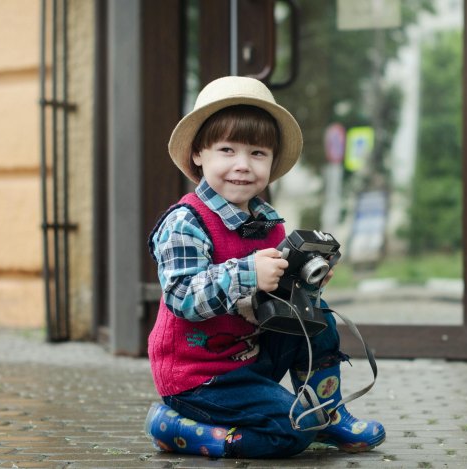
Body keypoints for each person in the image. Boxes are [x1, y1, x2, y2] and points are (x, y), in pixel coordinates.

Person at [143, 76, 385, 459]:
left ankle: (326, 410)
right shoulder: (186, 222)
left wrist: (306, 283)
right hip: (199, 377)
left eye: (257, 153)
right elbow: (182, 297)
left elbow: (275, 301)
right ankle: (179, 429)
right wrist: (248, 273)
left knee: (317, 314)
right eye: (227, 150)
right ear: (198, 154)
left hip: (251, 360)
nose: (242, 165)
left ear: (272, 162)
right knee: (292, 432)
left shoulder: (270, 224)